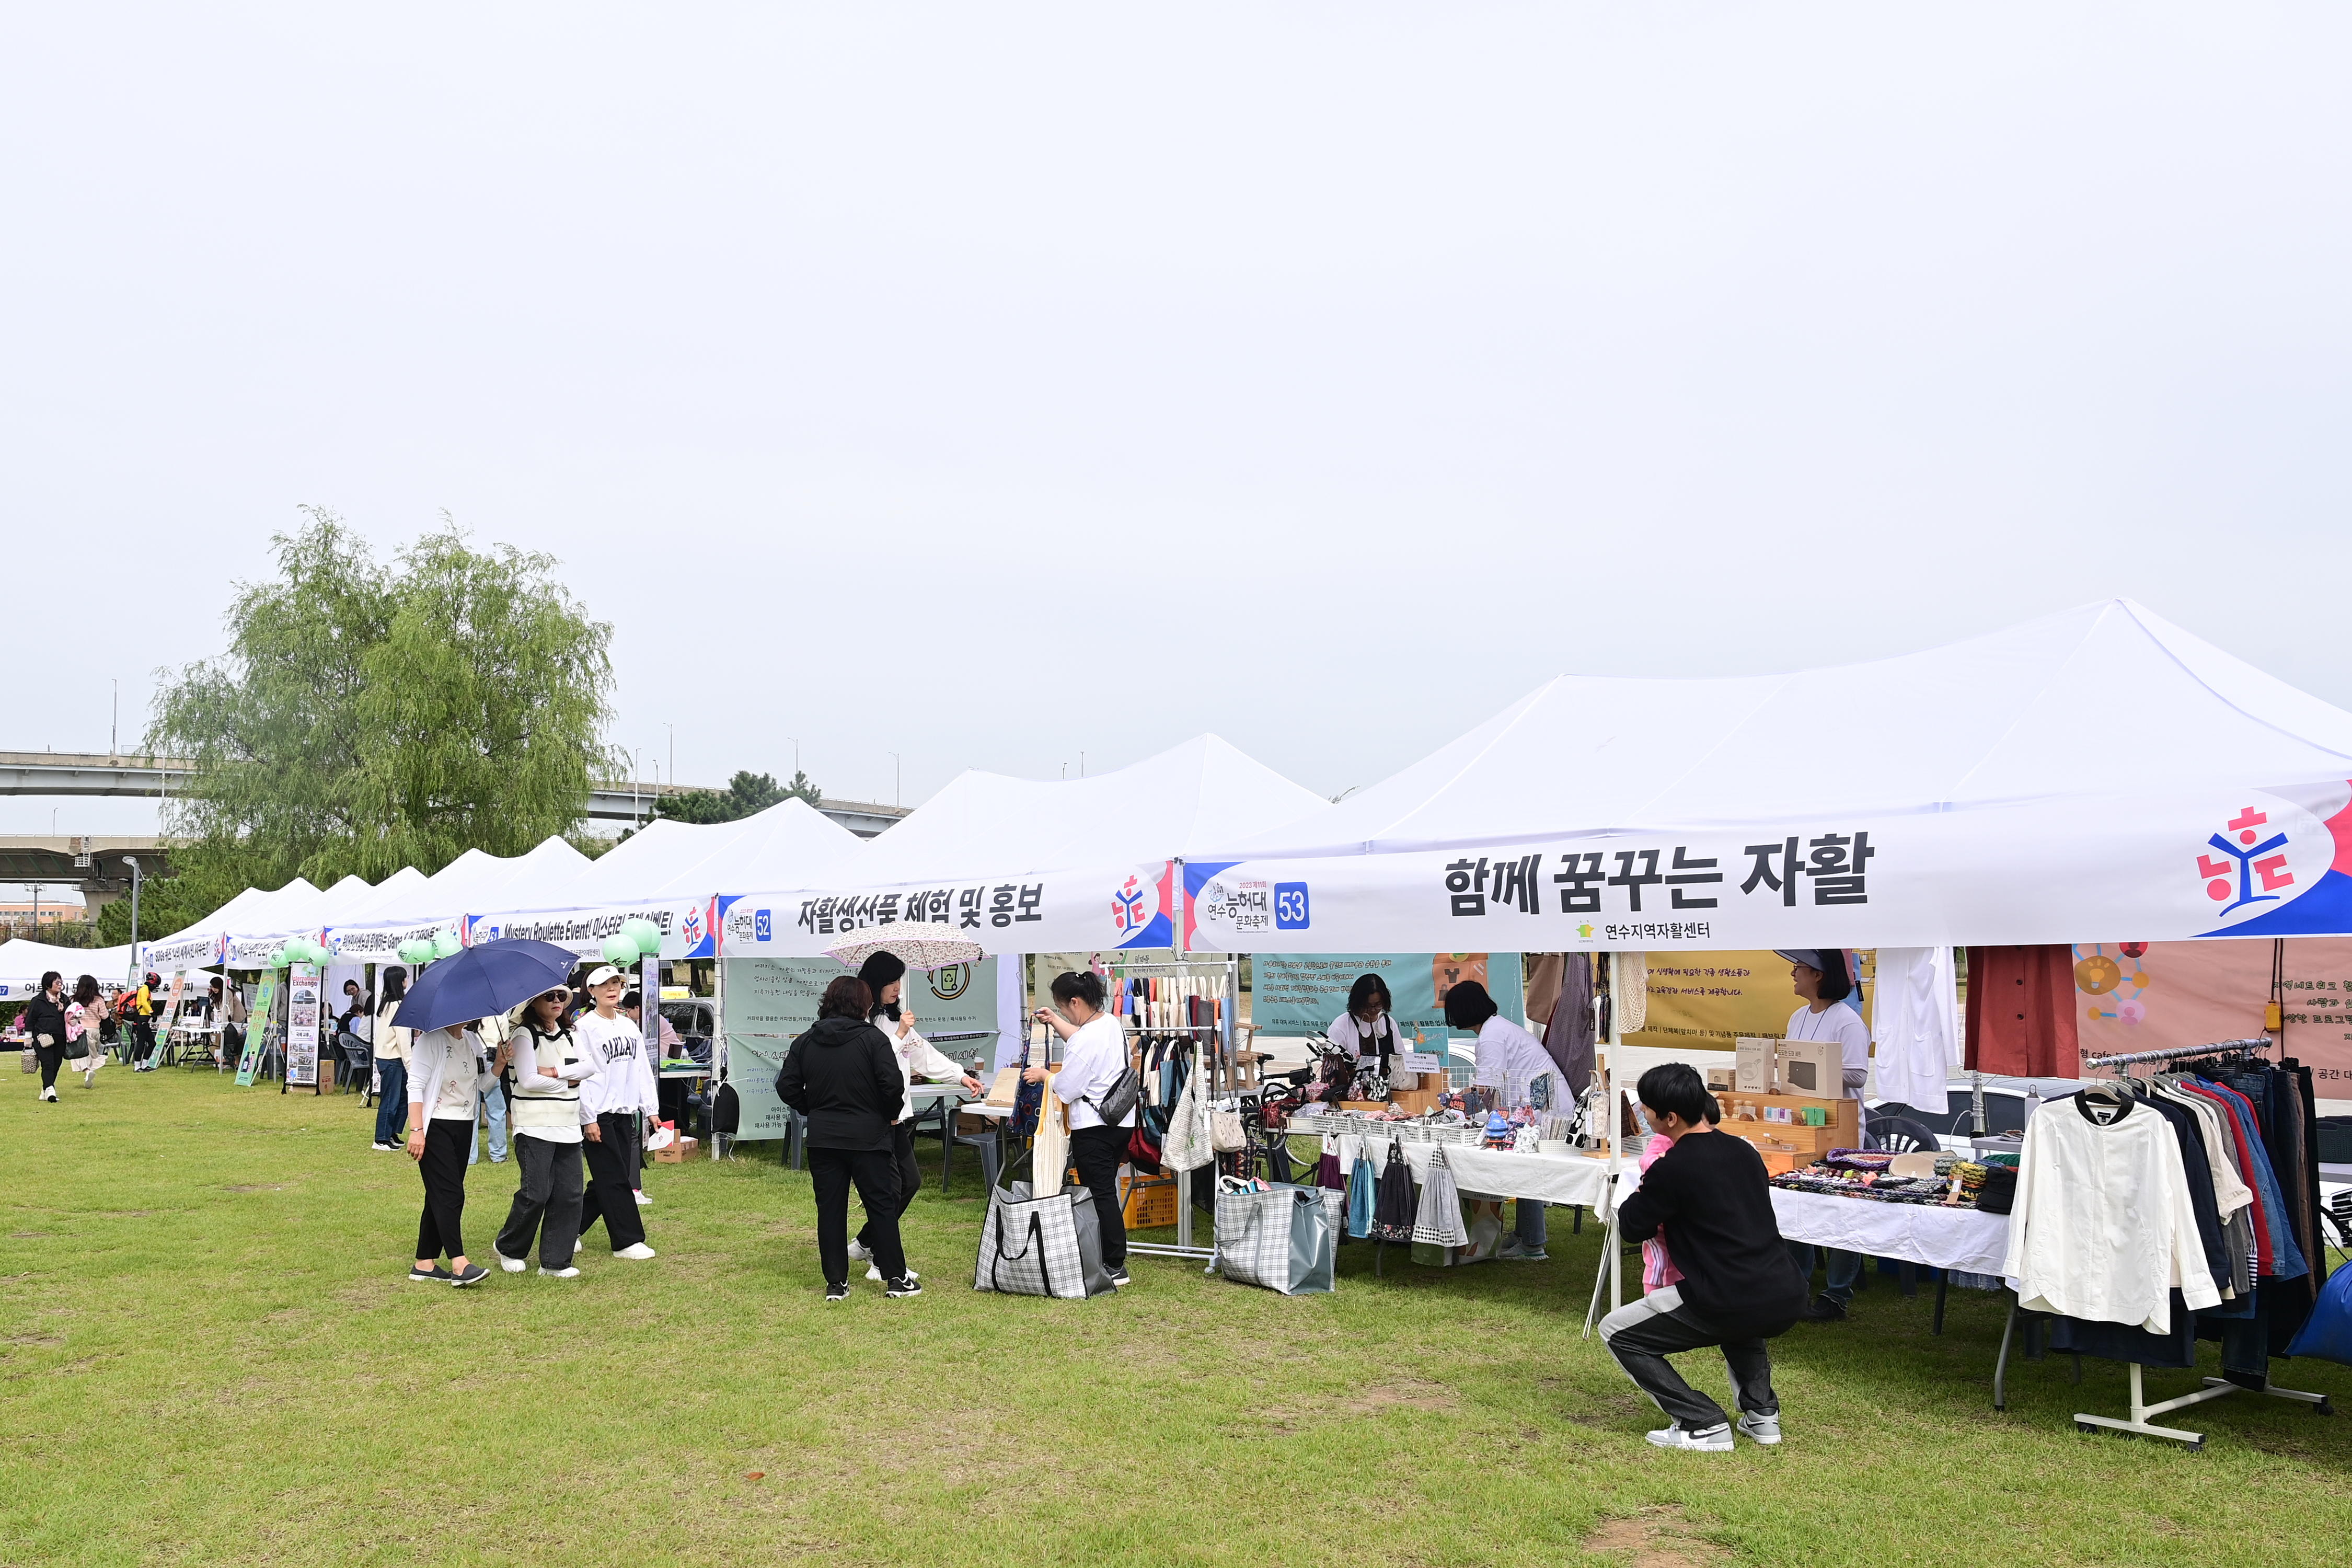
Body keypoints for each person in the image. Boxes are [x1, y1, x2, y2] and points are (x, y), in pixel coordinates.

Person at [1599, 1063, 1808, 1451]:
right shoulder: (1744, 1152)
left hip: (1726, 1295)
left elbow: (1632, 1226)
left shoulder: (1672, 1167)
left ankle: (1702, 1422)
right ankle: (1762, 1417)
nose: (1643, 1115)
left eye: (1646, 1109)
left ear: (1670, 1118)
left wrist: (1642, 1188)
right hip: (1784, 1290)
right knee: (1739, 1317)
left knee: (1616, 1332)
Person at [774, 975, 918, 1302]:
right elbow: (892, 1085)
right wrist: (888, 1113)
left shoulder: (806, 1041)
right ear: (865, 1005)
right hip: (870, 1136)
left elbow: (787, 1087)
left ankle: (836, 1283)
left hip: (825, 1137)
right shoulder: (873, 1040)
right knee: (881, 1206)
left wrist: (813, 1108)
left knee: (831, 1210)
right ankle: (896, 1278)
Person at [846, 951, 985, 1284]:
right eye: (891, 982)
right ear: (876, 983)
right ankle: (881, 1257)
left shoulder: (898, 1020)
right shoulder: (862, 1022)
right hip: (874, 1120)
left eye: (899, 981)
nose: (897, 988)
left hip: (898, 1118)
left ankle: (868, 1241)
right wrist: (898, 1037)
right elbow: (873, 1066)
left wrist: (960, 1076)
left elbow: (924, 1056)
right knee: (892, 1188)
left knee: (909, 1182)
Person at [1772, 948, 1874, 1321]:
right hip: (1800, 1126)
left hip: (1839, 1132)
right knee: (1797, 1202)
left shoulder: (1847, 1021)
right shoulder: (1798, 1017)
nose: (1793, 974)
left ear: (1818, 974)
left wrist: (1813, 1067)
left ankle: (1837, 1295)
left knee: (1840, 1209)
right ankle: (1796, 1283)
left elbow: (1858, 1076)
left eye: (1798, 968)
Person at [1025, 969, 1135, 1289]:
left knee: (1100, 1194)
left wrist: (1045, 1076)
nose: (1061, 1013)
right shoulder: (1110, 1023)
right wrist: (1056, 1022)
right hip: (1120, 1121)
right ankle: (1109, 1257)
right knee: (1107, 1190)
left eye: (1062, 1008)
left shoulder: (1086, 1039)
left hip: (1094, 1127)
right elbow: (1082, 1039)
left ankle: (1114, 1264)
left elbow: (1068, 1089)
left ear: (1075, 1002)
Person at [1442, 978, 1555, 1261]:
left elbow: (1485, 1086)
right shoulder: (1497, 1028)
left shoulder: (1492, 1035)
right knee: (1524, 1167)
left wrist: (1454, 1098)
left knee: (1525, 1167)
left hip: (1536, 1108)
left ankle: (1533, 1244)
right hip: (1534, 1104)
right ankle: (1526, 1234)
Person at [494, 986, 601, 1277]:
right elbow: (528, 1080)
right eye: (549, 997)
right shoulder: (524, 1035)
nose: (557, 1002)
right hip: (534, 1123)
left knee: (569, 1194)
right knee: (536, 1193)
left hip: (567, 1124)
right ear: (533, 1003)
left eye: (561, 998)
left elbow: (589, 1067)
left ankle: (556, 1261)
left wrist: (553, 1072)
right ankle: (509, 1246)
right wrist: (569, 1080)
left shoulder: (571, 1033)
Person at [405, 1020, 506, 1287]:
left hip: (463, 1126)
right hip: (435, 1125)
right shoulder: (430, 1041)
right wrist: (417, 1130)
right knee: (451, 1194)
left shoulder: (472, 1041)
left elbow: (480, 1086)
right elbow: (415, 1085)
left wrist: (499, 1065)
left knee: (439, 1193)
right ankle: (459, 1264)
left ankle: (424, 1262)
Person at [572, 965, 658, 1261]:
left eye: (616, 983)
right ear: (592, 992)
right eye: (604, 985)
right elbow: (580, 1077)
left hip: (624, 1111)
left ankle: (568, 1228)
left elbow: (641, 1068)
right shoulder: (584, 1028)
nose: (612, 989)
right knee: (615, 1179)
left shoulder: (628, 1026)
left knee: (610, 1176)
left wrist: (651, 1110)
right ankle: (627, 1240)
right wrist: (589, 1118)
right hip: (599, 1113)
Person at [622, 988, 684, 1189]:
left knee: (667, 1105)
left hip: (667, 1062)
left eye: (628, 1011)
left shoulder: (650, 1023)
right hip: (661, 1066)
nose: (628, 1015)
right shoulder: (646, 1020)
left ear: (637, 1008)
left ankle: (665, 1138)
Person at [1327, 973, 1414, 1101]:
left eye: (1378, 1005)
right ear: (1357, 1002)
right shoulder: (1341, 1026)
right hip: (1352, 1098)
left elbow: (1401, 1059)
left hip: (1388, 1096)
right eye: (1367, 1006)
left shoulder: (1389, 1023)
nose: (1373, 1010)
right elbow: (1332, 1070)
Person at [371, 968, 413, 1151]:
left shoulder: (387, 1003)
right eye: (405, 979)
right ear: (400, 982)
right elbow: (402, 1038)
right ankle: (381, 1138)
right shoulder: (396, 1005)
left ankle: (392, 1133)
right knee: (391, 1099)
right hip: (392, 1059)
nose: (407, 981)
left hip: (389, 1058)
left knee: (402, 1098)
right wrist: (410, 1064)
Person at [25, 971, 69, 1102]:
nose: (60, 984)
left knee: (56, 1064)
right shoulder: (38, 1001)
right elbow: (31, 1019)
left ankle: (46, 1089)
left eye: (61, 982)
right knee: (48, 1063)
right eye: (57, 982)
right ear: (48, 985)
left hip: (60, 1037)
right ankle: (50, 1090)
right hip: (42, 1038)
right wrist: (28, 1038)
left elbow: (70, 1015)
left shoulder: (64, 999)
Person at [67, 974, 108, 1090]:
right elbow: (105, 1016)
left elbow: (69, 1016)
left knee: (78, 1054)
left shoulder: (74, 1000)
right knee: (92, 1054)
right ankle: (89, 1072)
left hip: (79, 1029)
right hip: (95, 1030)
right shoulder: (99, 1000)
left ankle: (87, 1071)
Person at [126, 972, 159, 1069]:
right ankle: (137, 1066)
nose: (156, 987)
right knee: (141, 1042)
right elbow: (144, 1002)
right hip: (142, 1018)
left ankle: (145, 1065)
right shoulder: (145, 989)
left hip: (145, 1018)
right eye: (156, 984)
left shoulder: (146, 989)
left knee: (152, 1043)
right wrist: (152, 1012)